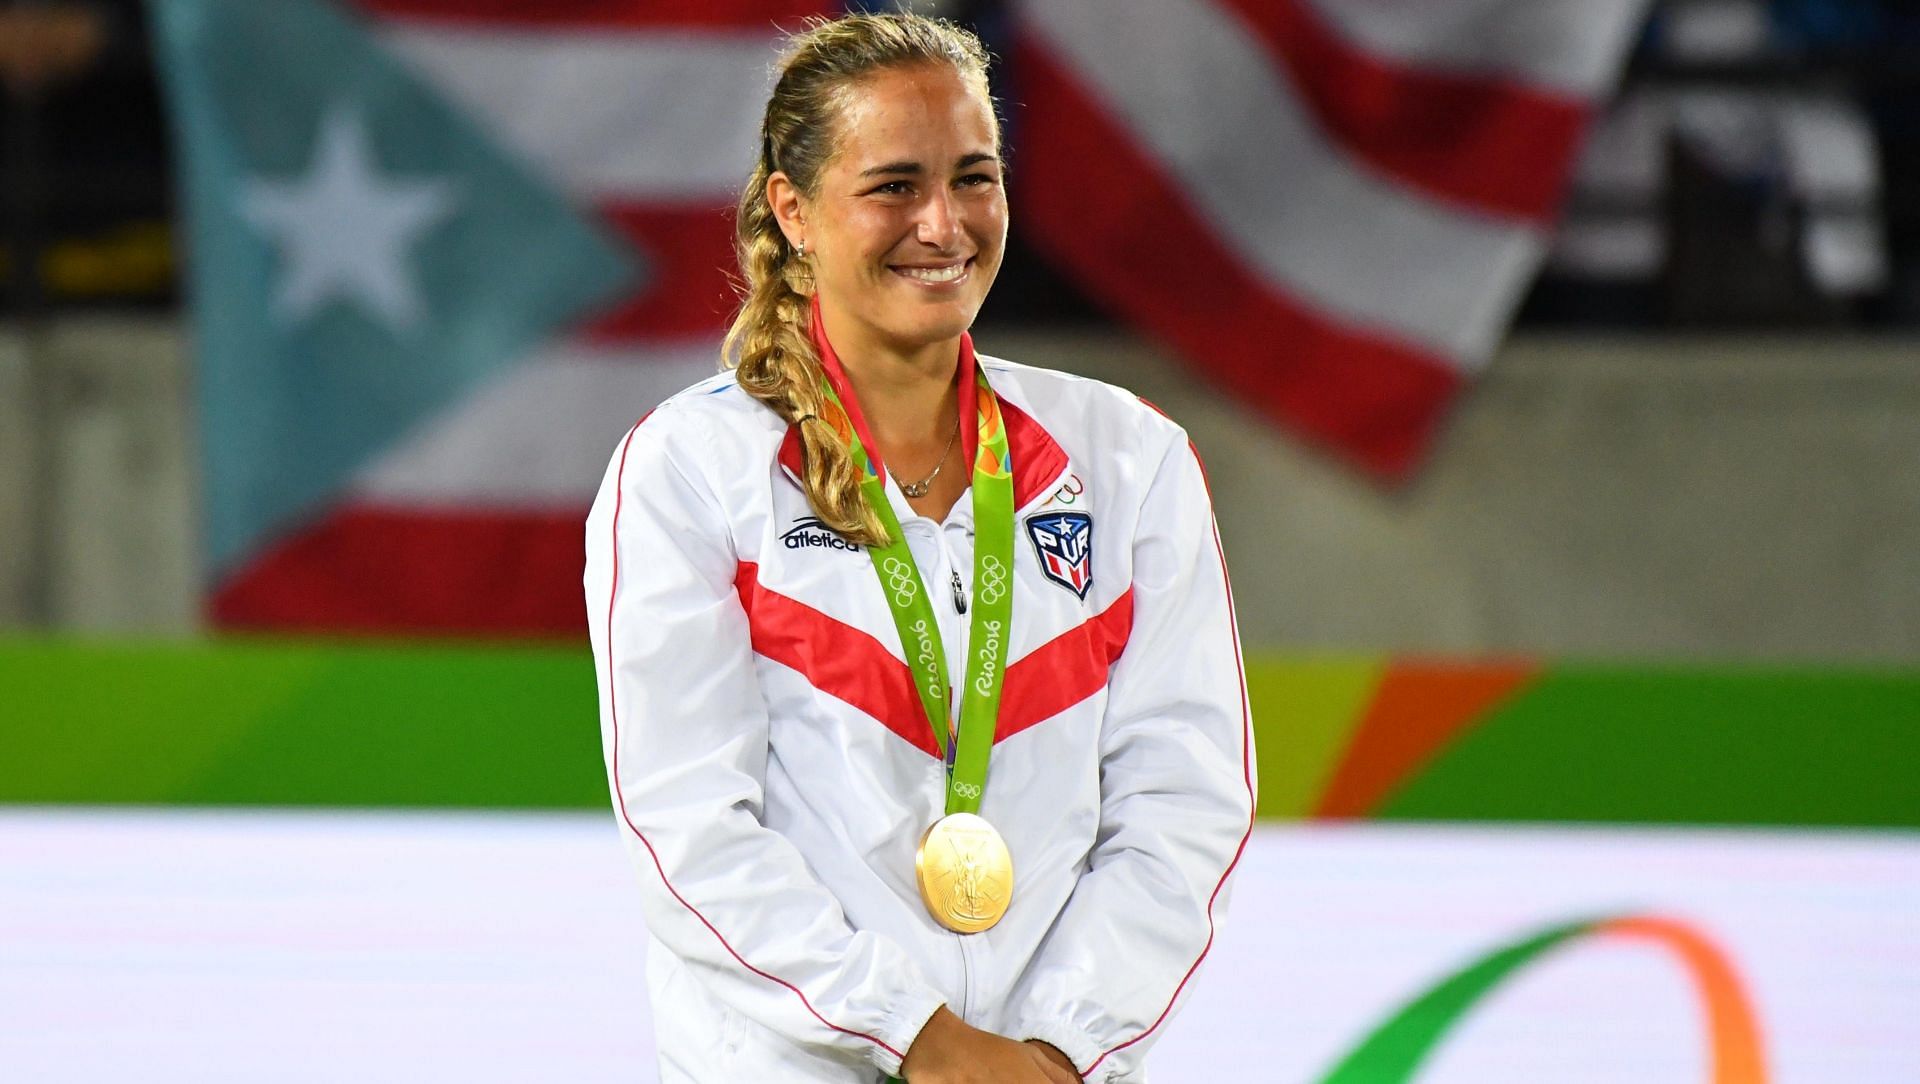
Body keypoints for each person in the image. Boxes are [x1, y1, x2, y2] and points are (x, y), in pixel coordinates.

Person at [584, 13, 1254, 1083]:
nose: (943, 224)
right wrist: (926, 1043)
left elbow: (1184, 801)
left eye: (975, 177)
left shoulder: (1131, 460)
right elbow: (690, 829)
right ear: (794, 210)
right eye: (894, 185)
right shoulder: (690, 468)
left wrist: (1052, 1046)